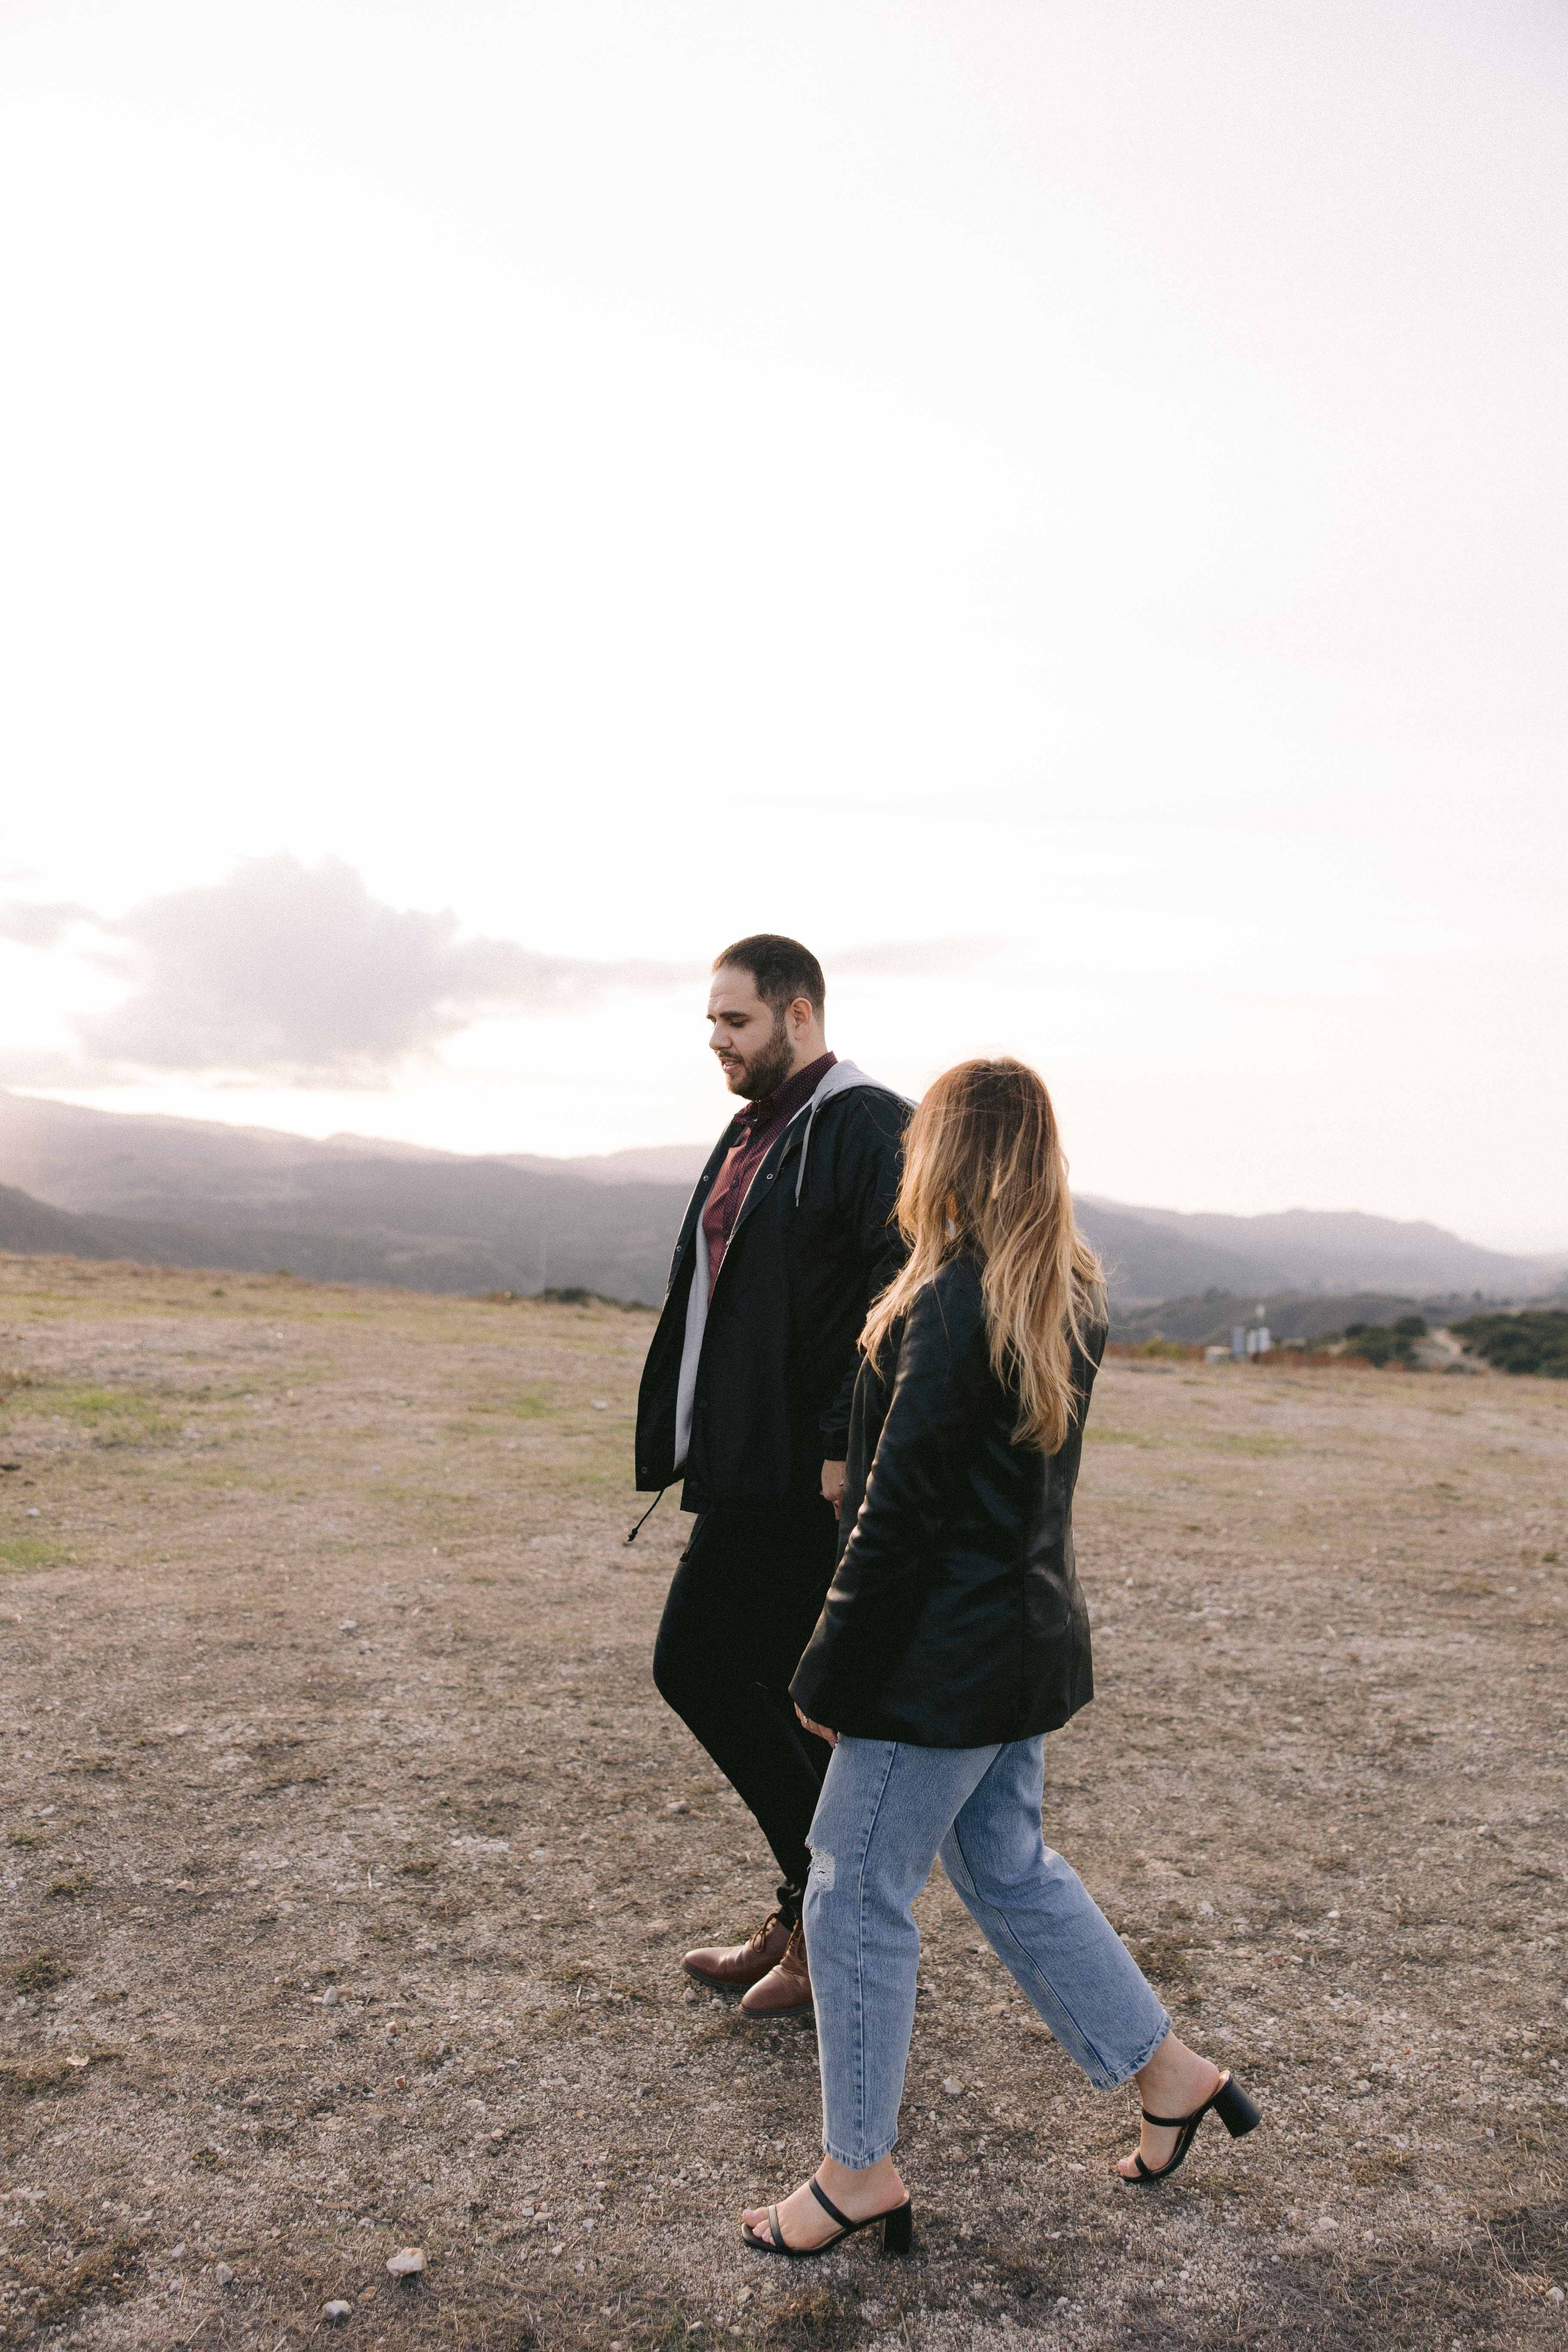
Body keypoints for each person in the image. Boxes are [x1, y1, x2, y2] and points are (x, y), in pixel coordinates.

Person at [738, 1058, 1259, 2257]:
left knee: (851, 1889)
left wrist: (826, 1670)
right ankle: (1172, 2075)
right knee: (1010, 1868)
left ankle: (854, 2170)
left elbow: (901, 1512)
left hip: (934, 1668)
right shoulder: (1062, 1291)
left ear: (947, 1157)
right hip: (1010, 1653)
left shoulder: (955, 1300)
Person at [635, 935, 909, 2015]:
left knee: (699, 1664)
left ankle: (829, 1921)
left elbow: (905, 1281)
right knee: (784, 1697)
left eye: (736, 1021)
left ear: (799, 1015)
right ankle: (818, 1921)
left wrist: (847, 1435)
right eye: (711, 1021)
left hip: (807, 1472)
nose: (717, 1040)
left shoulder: (861, 1122)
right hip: (746, 1459)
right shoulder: (757, 1128)